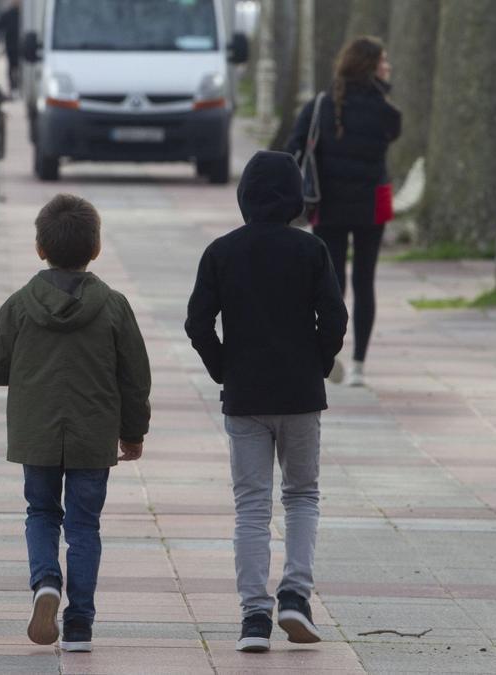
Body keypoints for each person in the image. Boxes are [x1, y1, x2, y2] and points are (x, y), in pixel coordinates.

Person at [0, 194, 152, 653]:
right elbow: (135, 376)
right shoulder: (114, 306)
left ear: (39, 248)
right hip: (93, 437)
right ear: (96, 248)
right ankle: (80, 625)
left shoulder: (19, 306)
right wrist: (134, 431)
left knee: (41, 513)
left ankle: (46, 582)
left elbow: (0, 369)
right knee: (85, 525)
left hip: (37, 436)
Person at [185, 151, 347, 653]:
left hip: (246, 395)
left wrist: (224, 367)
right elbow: (335, 318)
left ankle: (254, 616)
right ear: (296, 198)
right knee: (301, 495)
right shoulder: (311, 250)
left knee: (251, 507)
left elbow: (197, 322)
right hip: (300, 394)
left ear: (244, 197)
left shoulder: (221, 252)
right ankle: (296, 593)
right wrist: (317, 363)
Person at [286, 36, 400, 388]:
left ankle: (326, 352)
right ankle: (359, 365)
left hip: (328, 204)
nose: (388, 67)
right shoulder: (385, 111)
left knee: (331, 283)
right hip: (372, 203)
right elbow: (393, 132)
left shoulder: (320, 104)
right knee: (365, 281)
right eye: (383, 62)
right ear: (370, 67)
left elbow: (293, 147)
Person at [0, 0, 21, 96]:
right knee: (11, 68)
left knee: (20, 68)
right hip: (11, 46)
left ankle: (18, 87)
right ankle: (12, 88)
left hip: (22, 46)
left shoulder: (25, 15)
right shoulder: (8, 14)